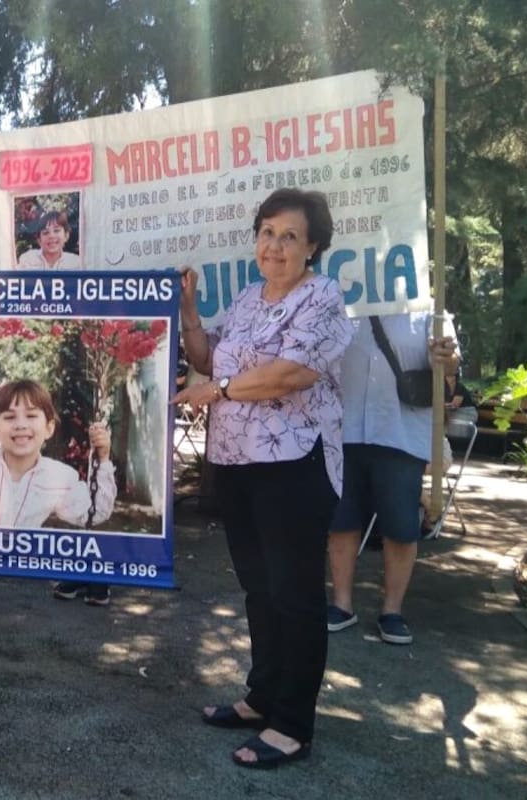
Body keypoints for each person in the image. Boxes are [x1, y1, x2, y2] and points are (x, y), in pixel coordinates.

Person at [171, 188, 352, 769]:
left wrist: (217, 391)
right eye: (267, 232)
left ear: (313, 247)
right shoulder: (248, 299)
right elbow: (208, 359)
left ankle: (293, 724)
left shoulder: (324, 298)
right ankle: (261, 697)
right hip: (237, 465)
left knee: (295, 595)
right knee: (258, 588)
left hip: (295, 465)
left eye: (289, 236)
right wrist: (191, 311)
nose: (274, 246)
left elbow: (289, 374)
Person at [326, 313, 460, 646]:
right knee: (341, 520)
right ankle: (341, 604)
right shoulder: (342, 301)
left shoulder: (430, 310)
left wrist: (447, 359)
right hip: (344, 428)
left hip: (401, 431)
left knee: (401, 525)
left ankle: (392, 611)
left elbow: (452, 368)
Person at [0, 379, 116, 606]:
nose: (20, 425)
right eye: (10, 417)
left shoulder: (57, 478)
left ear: (49, 428)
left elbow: (95, 512)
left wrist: (102, 458)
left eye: (31, 416)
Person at [16, 211, 82, 269]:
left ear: (66, 236)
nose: (51, 236)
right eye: (46, 232)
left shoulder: (75, 263)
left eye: (56, 231)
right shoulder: (27, 260)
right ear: (39, 240)